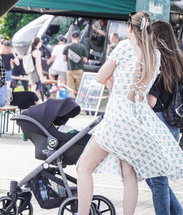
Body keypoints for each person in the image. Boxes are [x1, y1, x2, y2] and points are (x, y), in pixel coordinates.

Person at [76, 11, 183, 215]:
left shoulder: (124, 47)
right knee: (129, 175)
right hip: (137, 121)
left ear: (130, 29)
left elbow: (100, 77)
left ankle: (81, 213)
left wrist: (112, 84)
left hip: (116, 118)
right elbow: (140, 95)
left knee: (84, 167)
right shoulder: (156, 55)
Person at [146, 20, 183, 215]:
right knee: (156, 176)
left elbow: (151, 101)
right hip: (174, 124)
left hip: (157, 121)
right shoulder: (180, 59)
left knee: (157, 178)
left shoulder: (158, 60)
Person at [63, 31, 88, 98]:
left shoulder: (67, 47)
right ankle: (81, 102)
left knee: (70, 88)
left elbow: (64, 59)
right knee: (81, 88)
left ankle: (72, 102)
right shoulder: (82, 47)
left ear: (71, 37)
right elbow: (85, 60)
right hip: (79, 70)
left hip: (70, 70)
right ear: (79, 38)